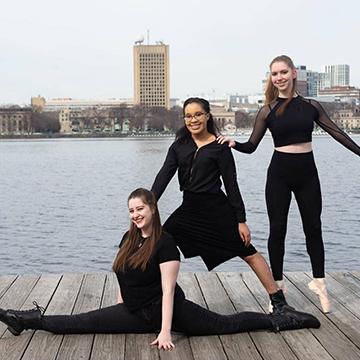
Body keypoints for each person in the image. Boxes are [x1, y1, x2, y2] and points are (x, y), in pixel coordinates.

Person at [0, 188, 321, 350]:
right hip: (135, 311)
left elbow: (169, 290)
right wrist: (121, 303)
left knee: (227, 324)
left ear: (152, 209)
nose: (136, 214)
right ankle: (24, 319)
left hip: (170, 312)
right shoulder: (128, 238)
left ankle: (280, 319)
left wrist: (166, 331)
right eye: (131, 210)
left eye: (141, 208)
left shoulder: (165, 243)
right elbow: (123, 273)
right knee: (78, 322)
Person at [218, 55, 360, 313]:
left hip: (308, 173)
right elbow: (251, 146)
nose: (279, 77)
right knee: (278, 230)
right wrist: (233, 144)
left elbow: (337, 133)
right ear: (271, 78)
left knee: (313, 228)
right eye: (274, 74)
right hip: (279, 174)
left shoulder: (311, 106)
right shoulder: (267, 110)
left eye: (283, 72)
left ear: (294, 73)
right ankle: (278, 291)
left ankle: (320, 283)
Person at [151, 97, 293, 314]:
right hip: (189, 209)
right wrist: (149, 206)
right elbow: (163, 177)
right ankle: (154, 298)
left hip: (217, 209)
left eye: (198, 114)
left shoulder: (220, 147)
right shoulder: (179, 146)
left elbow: (231, 184)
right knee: (158, 243)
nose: (193, 120)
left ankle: (279, 301)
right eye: (188, 116)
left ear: (208, 116)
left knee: (248, 252)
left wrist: (241, 221)